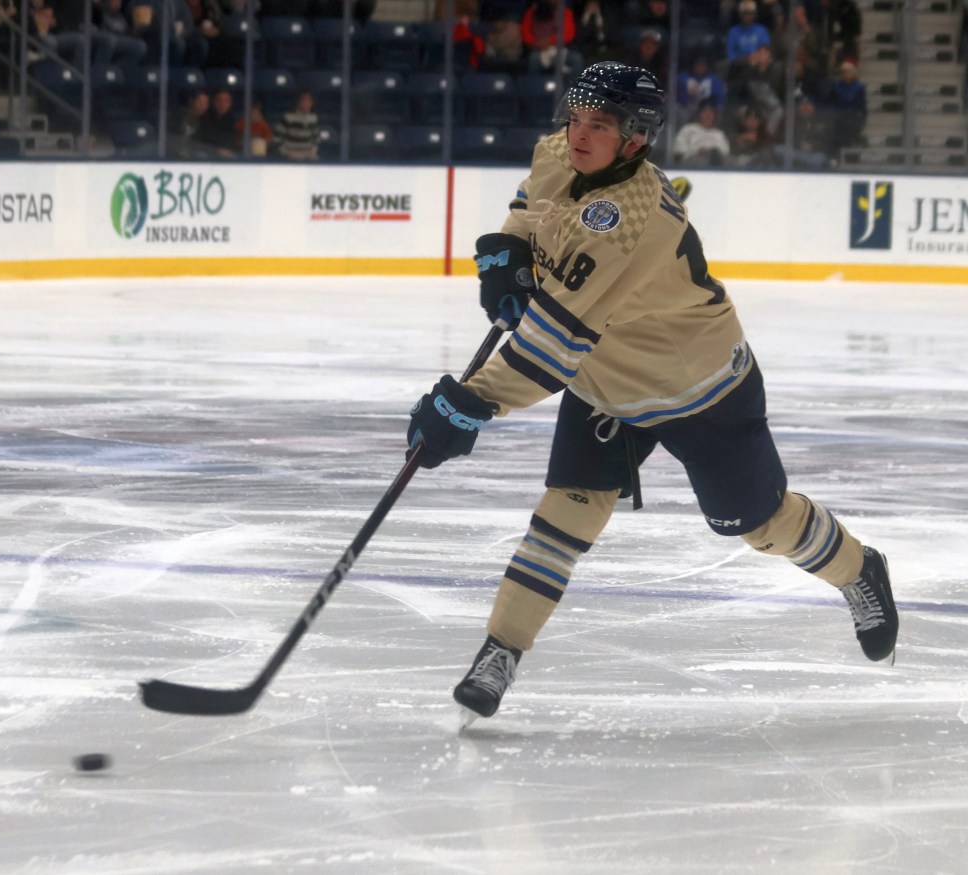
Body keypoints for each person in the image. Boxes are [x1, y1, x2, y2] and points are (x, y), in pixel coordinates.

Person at [406, 61, 899, 724]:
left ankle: (860, 570)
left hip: (699, 389)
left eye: (599, 124)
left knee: (758, 524)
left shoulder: (632, 223)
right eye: (576, 116)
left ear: (635, 138)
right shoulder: (560, 150)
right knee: (567, 511)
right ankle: (500, 651)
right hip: (607, 380)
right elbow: (533, 206)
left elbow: (550, 351)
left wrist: (466, 402)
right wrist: (506, 252)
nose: (578, 133)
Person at [672, 98, 730, 166]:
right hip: (692, 168)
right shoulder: (688, 130)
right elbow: (679, 154)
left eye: (711, 112)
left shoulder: (719, 134)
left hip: (715, 169)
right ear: (699, 113)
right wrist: (699, 153)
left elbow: (725, 156)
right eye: (705, 111)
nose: (708, 115)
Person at [273, 89, 319, 160]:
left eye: (308, 100)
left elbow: (316, 139)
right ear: (298, 102)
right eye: (303, 100)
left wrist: (312, 152)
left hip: (308, 158)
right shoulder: (287, 117)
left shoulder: (314, 119)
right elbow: (277, 139)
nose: (305, 103)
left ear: (312, 103)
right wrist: (288, 154)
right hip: (289, 158)